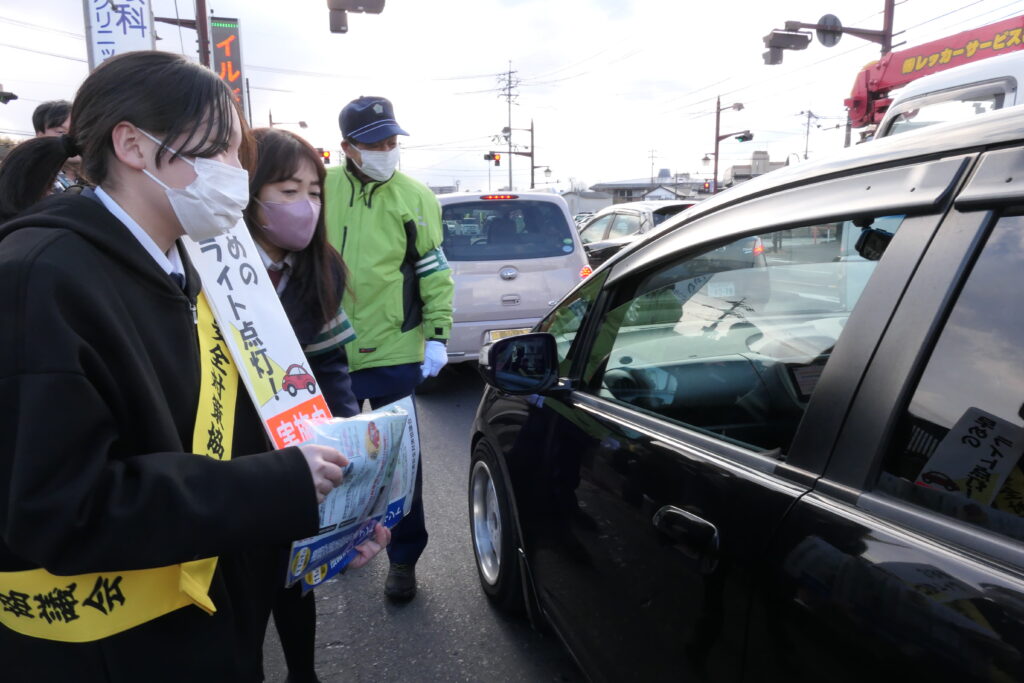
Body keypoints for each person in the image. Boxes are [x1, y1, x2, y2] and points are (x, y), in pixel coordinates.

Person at [0, 51, 389, 682]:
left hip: (206, 619)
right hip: (109, 650)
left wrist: (322, 527)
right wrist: (279, 484)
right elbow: (60, 509)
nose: (236, 173)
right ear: (133, 145)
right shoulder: (40, 278)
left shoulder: (185, 268)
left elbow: (221, 450)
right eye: (222, 151)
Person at [324, 96, 454, 601]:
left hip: (397, 350)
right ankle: (344, 545)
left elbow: (433, 270)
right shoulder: (322, 189)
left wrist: (438, 335)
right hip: (330, 353)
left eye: (391, 140)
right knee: (340, 463)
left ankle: (403, 559)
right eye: (374, 142)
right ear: (347, 148)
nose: (385, 149)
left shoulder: (416, 196)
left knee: (403, 463)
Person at [243, 126, 360, 683]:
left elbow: (331, 369)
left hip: (297, 455)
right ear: (247, 189)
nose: (305, 206)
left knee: (293, 576)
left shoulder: (322, 268)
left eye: (314, 192)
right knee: (238, 585)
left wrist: (350, 440)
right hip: (228, 458)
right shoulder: (201, 264)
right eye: (288, 191)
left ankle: (304, 674)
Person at [31, 99, 84, 192]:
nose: (73, 138)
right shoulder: (28, 179)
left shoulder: (101, 180)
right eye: (61, 132)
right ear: (39, 136)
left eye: (79, 131)